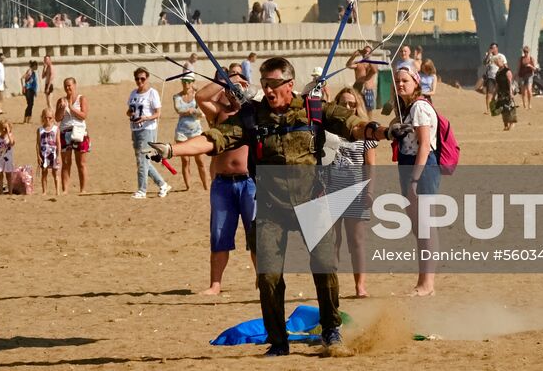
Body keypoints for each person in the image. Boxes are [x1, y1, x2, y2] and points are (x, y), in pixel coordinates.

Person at [154, 57, 400, 356]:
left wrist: (384, 132)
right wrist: (171, 148)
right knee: (268, 276)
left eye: (273, 85)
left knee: (324, 266)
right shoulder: (251, 117)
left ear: (289, 85)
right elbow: (212, 139)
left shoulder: (314, 110)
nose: (268, 91)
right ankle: (278, 340)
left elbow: (356, 126)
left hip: (312, 202)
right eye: (264, 84)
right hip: (271, 206)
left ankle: (331, 329)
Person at [197, 68, 256, 296]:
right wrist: (226, 81)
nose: (235, 89)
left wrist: (244, 88)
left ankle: (262, 280)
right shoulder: (219, 114)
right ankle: (216, 284)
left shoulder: (253, 113)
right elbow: (201, 97)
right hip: (223, 184)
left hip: (249, 182)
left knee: (256, 234)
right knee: (220, 235)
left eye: (240, 80)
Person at [392, 65, 440, 296]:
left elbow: (424, 145)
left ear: (415, 82)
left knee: (426, 227)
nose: (400, 84)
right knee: (418, 227)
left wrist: (414, 180)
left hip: (420, 168)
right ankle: (423, 281)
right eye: (397, 81)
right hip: (409, 165)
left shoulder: (419, 106)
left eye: (405, 80)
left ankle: (427, 284)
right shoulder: (407, 108)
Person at [330, 86, 376, 298]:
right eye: (343, 104)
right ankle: (332, 283)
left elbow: (370, 164)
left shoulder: (366, 131)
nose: (348, 107)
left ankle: (360, 285)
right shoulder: (329, 130)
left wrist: (369, 191)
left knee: (356, 241)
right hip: (331, 188)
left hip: (356, 189)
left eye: (352, 104)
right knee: (332, 240)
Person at [127, 68, 170, 199]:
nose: (140, 81)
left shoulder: (152, 93)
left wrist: (146, 118)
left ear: (147, 79)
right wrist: (131, 114)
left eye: (142, 79)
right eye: (137, 79)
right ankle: (162, 184)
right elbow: (128, 111)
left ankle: (142, 190)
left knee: (142, 159)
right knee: (143, 161)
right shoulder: (133, 93)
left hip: (148, 129)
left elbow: (158, 113)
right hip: (135, 129)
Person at [172, 76, 208, 191]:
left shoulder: (197, 96)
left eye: (188, 81)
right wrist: (191, 111)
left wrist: (194, 111)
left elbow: (202, 113)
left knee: (200, 160)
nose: (186, 84)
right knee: (185, 160)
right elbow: (178, 110)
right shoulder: (177, 96)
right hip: (182, 132)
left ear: (192, 82)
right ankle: (188, 187)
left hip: (196, 131)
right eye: (184, 81)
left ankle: (206, 186)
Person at [56, 77, 90, 194]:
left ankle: (83, 189)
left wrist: (71, 108)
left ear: (75, 85)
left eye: (69, 85)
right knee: (66, 162)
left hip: (79, 131)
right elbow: (57, 118)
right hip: (65, 131)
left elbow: (84, 115)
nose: (67, 88)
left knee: (81, 162)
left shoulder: (81, 99)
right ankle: (65, 189)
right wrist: (62, 108)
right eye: (65, 86)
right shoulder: (61, 100)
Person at [36, 109, 61, 196]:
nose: (47, 120)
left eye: (50, 118)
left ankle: (57, 191)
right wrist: (38, 156)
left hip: (53, 153)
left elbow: (58, 143)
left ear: (53, 118)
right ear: (42, 118)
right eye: (45, 118)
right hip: (44, 154)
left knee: (55, 172)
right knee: (44, 172)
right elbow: (38, 144)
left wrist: (58, 156)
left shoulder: (56, 129)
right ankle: (44, 191)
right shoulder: (40, 130)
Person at [346, 45, 378, 112]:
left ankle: (368, 121)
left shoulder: (373, 64)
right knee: (356, 108)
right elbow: (348, 65)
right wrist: (353, 56)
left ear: (371, 53)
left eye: (368, 52)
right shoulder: (358, 63)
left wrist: (368, 59)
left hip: (368, 89)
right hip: (357, 88)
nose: (366, 53)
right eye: (364, 51)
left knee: (368, 110)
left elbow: (374, 70)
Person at [491, 56, 517, 130]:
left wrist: (511, 93)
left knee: (510, 108)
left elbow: (510, 82)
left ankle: (512, 123)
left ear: (502, 61)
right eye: (496, 62)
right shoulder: (498, 72)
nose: (497, 63)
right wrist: (494, 95)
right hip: (500, 93)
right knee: (503, 109)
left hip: (507, 92)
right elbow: (497, 84)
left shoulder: (507, 71)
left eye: (498, 62)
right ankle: (506, 124)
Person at [0, 120, 16, 193]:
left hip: (8, 159)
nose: (4, 130)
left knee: (9, 175)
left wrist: (9, 132)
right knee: (0, 175)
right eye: (2, 128)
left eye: (5, 128)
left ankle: (10, 192)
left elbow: (12, 143)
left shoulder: (10, 136)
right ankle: (1, 192)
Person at [517, 46, 537, 110]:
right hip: (522, 75)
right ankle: (524, 104)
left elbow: (535, 69)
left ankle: (529, 104)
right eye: (524, 52)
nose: (525, 53)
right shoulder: (521, 59)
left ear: (529, 52)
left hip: (529, 75)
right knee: (523, 91)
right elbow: (519, 67)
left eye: (527, 52)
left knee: (529, 89)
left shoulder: (531, 59)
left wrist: (530, 66)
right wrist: (516, 74)